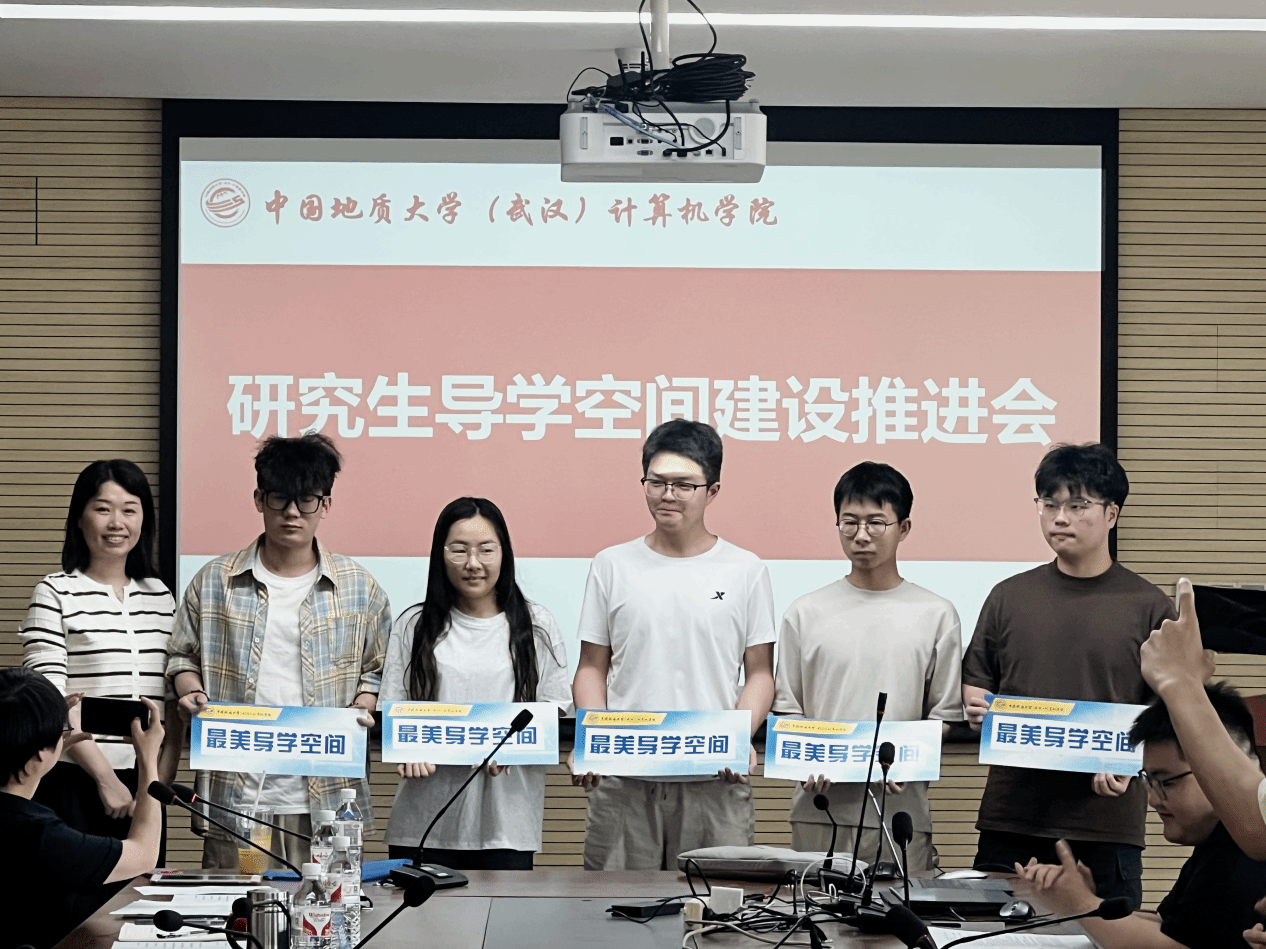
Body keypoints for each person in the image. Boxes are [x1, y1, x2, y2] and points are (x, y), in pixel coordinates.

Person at [961, 442, 1176, 907]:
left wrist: (1131, 761)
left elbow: (1171, 714)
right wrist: (976, 705)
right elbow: (978, 680)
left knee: (1105, 937)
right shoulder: (1008, 596)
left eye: (1077, 505)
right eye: (1049, 504)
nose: (1060, 518)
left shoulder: (1151, 607)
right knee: (991, 935)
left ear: (1111, 514)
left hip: (1105, 822)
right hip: (1012, 817)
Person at [166, 433, 390, 869]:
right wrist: (190, 690)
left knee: (329, 908)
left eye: (306, 500)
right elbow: (181, 657)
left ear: (325, 504)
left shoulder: (359, 588)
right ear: (259, 499)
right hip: (236, 797)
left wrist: (365, 702)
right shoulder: (213, 581)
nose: (292, 512)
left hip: (329, 798)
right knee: (235, 909)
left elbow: (379, 669)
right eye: (279, 498)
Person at [571, 418, 777, 871]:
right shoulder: (612, 565)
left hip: (713, 780)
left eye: (684, 485)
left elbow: (760, 673)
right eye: (657, 482)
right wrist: (593, 738)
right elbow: (591, 667)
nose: (668, 495)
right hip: (625, 778)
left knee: (717, 907)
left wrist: (738, 735)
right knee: (615, 910)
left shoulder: (745, 570)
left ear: (712, 490)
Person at [773, 462, 963, 870]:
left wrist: (907, 760)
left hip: (899, 811)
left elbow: (944, 715)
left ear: (904, 528)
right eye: (849, 522)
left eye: (876, 522)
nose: (861, 535)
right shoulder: (804, 612)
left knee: (899, 910)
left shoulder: (937, 613)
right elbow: (787, 710)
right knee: (815, 909)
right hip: (820, 809)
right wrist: (806, 760)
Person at [379, 497, 571, 870]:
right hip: (422, 824)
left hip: (507, 824)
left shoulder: (537, 625)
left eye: (486, 549)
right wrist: (407, 748)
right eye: (459, 550)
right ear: (440, 555)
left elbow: (555, 708)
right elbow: (393, 708)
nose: (473, 563)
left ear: (504, 554)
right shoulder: (414, 625)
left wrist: (513, 749)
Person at [1016, 683, 1266, 949]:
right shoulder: (1219, 842)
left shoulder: (1246, 856)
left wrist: (1081, 904)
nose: (1153, 800)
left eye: (1166, 782)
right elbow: (1170, 925)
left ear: (1229, 766)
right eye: (1149, 782)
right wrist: (1085, 900)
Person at [18, 459, 180, 856]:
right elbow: (50, 700)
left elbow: (171, 699)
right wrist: (106, 779)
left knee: (145, 889)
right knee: (78, 891)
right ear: (79, 517)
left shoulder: (161, 596)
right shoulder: (54, 592)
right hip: (75, 777)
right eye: (103, 509)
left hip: (145, 781)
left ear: (144, 520)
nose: (116, 523)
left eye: (130, 510)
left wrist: (155, 782)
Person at [0, 667, 164, 949]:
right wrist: (148, 760)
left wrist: (49, 739)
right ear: (40, 755)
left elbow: (31, 762)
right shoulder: (39, 835)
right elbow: (143, 854)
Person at [1139, 578, 1266, 862]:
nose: (1153, 800)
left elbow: (1259, 825)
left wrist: (1178, 682)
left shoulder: (1238, 871)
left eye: (1167, 782)